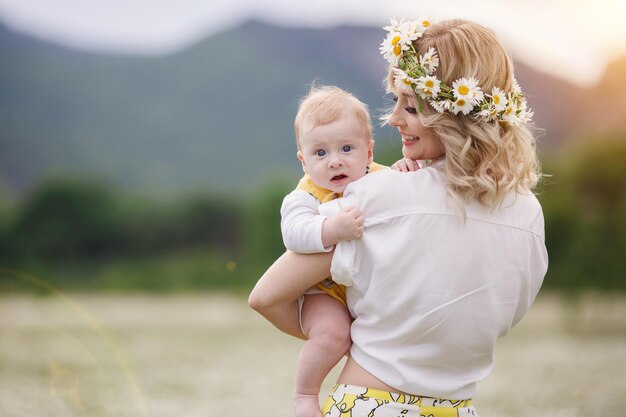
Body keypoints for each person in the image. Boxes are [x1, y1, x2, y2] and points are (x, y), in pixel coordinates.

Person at [249, 17, 548, 417]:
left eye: (411, 106)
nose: (392, 120)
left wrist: (339, 338)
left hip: (370, 405)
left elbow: (265, 297)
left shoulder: (372, 199)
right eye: (396, 102)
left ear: (451, 113)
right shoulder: (527, 215)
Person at [280, 85, 386, 417]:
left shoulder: (383, 180)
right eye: (320, 153)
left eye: (346, 148)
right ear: (303, 161)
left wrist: (411, 171)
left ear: (368, 153)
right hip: (325, 292)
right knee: (331, 334)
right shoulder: (306, 196)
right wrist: (332, 230)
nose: (335, 161)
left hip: (367, 288)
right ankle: (305, 395)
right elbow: (294, 233)